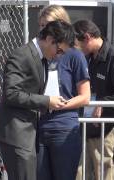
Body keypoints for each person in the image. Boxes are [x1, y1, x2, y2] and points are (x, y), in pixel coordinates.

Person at [0, 21, 73, 180]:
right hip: (15, 132)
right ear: (50, 39)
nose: (59, 55)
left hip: (26, 132)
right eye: (60, 50)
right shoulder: (22, 55)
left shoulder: (40, 57)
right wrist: (46, 101)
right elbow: (11, 93)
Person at [36, 6, 91, 180]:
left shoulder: (75, 55)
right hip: (38, 128)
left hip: (63, 128)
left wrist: (60, 104)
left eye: (48, 25)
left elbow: (85, 97)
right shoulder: (37, 55)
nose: (44, 31)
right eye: (41, 25)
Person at [73, 19, 114, 180]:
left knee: (104, 173)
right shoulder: (91, 58)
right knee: (81, 173)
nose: (77, 48)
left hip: (108, 130)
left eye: (78, 43)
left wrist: (104, 105)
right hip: (89, 127)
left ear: (87, 37)